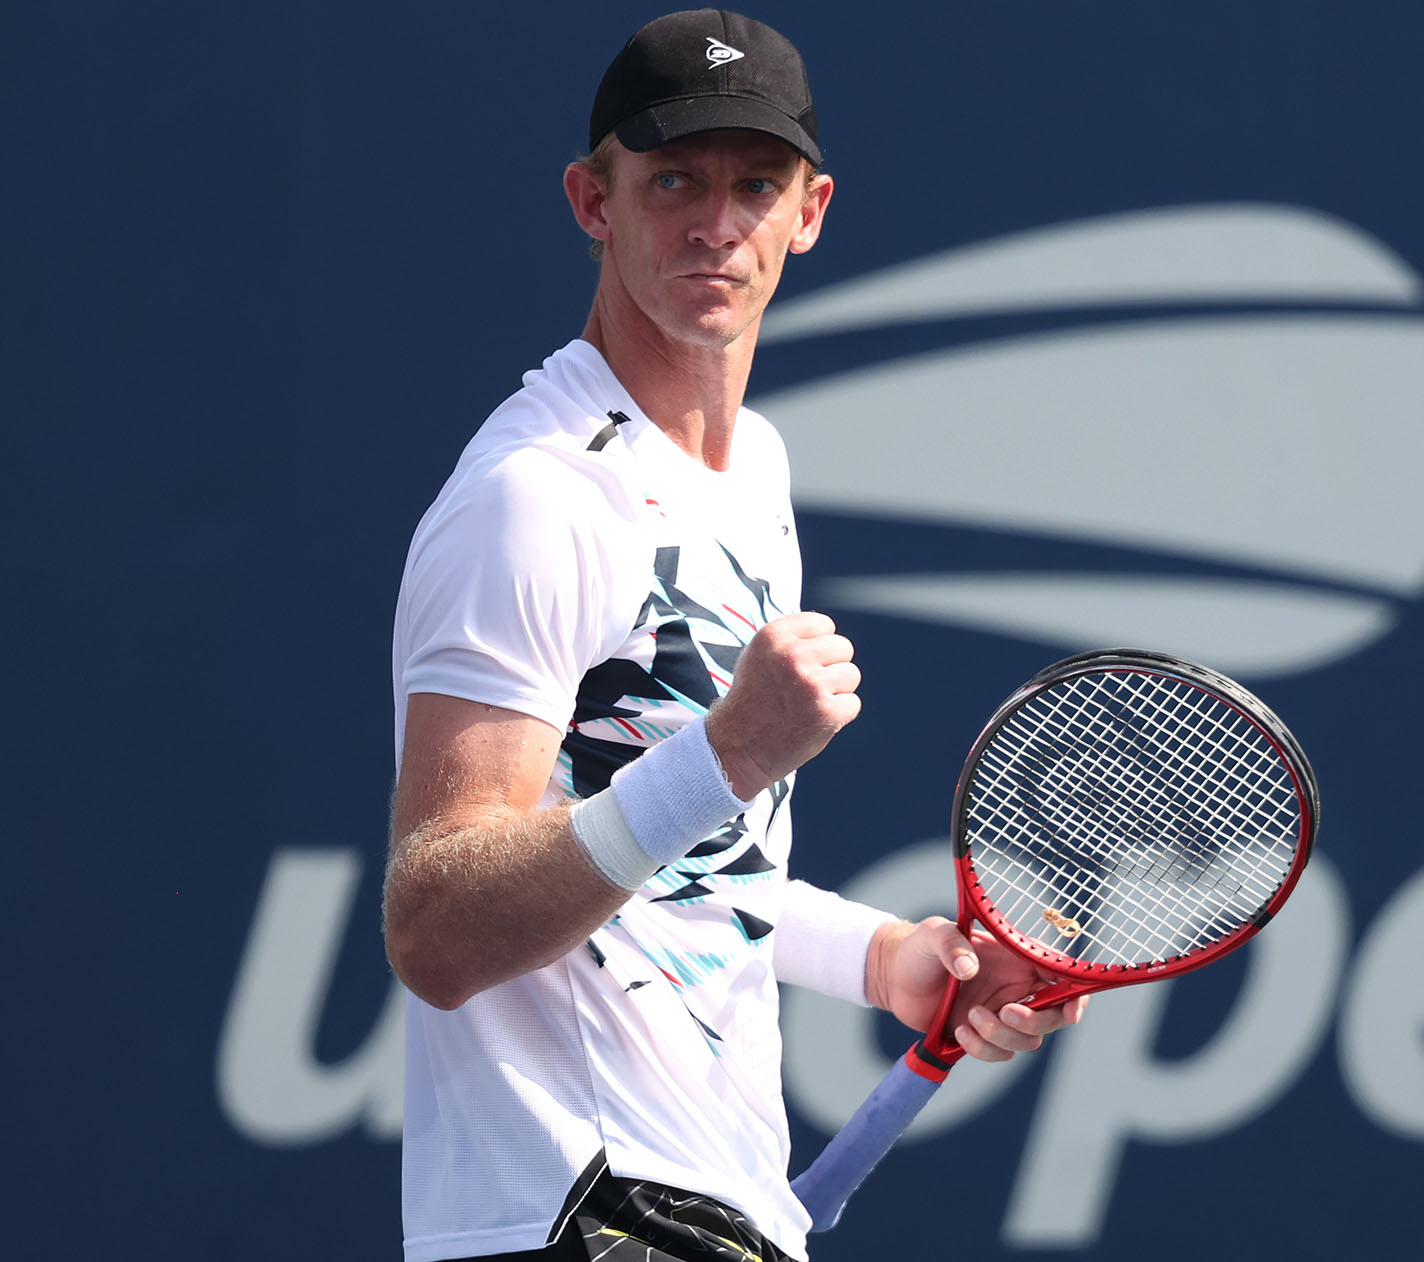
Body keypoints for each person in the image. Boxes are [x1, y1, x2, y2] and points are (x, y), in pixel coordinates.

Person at [383, 12, 1085, 1261]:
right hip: (580, 1200)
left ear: (809, 210)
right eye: (670, 182)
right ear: (590, 201)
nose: (714, 223)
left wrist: (884, 960)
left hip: (710, 1199)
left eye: (753, 183)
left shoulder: (750, 468)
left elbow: (687, 877)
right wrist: (723, 756)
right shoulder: (536, 495)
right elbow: (434, 927)